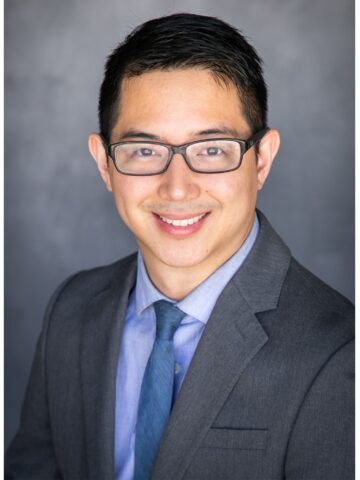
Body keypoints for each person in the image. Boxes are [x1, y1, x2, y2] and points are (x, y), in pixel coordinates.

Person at [5, 12, 354, 480]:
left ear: (262, 161)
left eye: (211, 149)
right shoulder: (71, 311)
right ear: (105, 165)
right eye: (145, 150)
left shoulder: (338, 352)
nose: (176, 188)